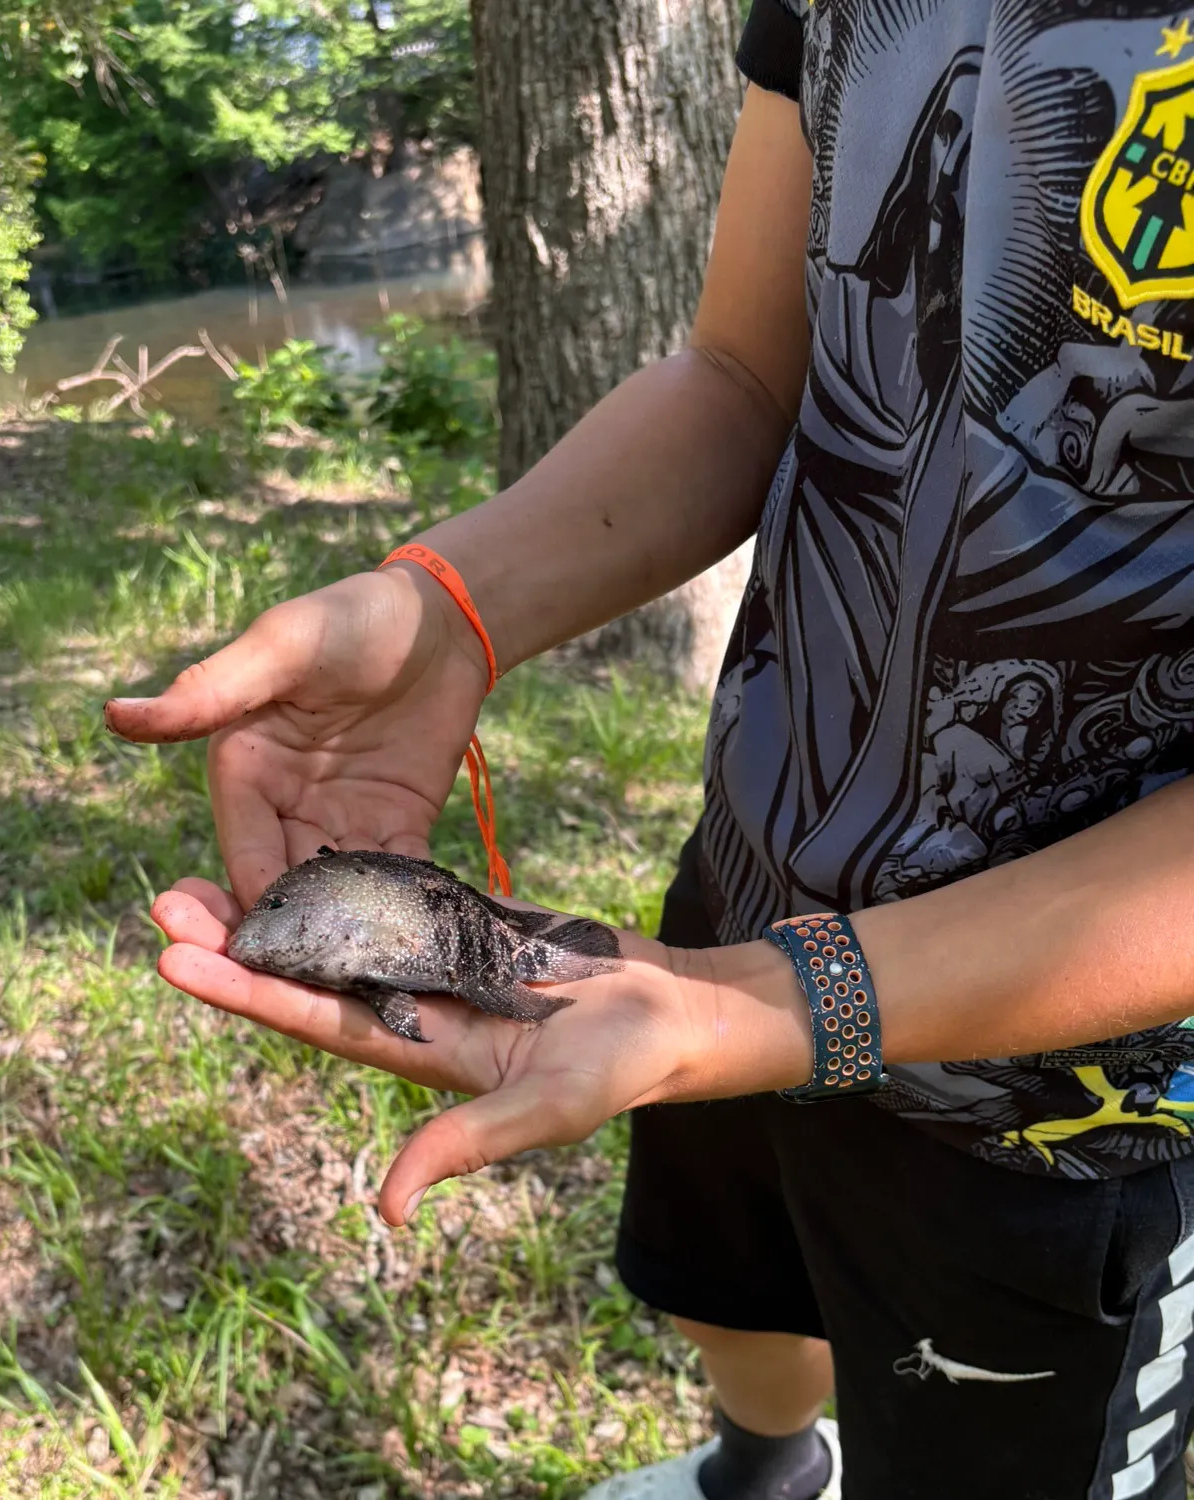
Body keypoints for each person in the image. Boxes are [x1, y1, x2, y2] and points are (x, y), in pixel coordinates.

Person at [105, 1, 1194, 1495]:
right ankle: (764, 1467)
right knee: (722, 1283)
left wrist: (770, 1008)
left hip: (1065, 1096)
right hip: (740, 892)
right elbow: (748, 374)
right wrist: (447, 610)